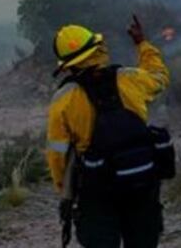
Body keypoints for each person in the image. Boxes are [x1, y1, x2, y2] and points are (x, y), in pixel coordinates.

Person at [46, 16, 170, 248]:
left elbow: (57, 154)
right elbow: (160, 78)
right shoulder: (129, 78)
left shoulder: (63, 100)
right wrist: (142, 44)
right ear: (98, 48)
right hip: (140, 181)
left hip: (96, 188)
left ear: (67, 65)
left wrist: (66, 190)